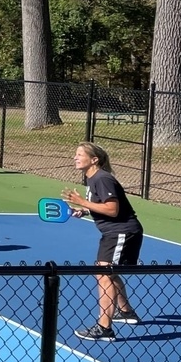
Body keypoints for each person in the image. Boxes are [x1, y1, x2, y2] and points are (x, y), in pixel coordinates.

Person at [61, 142, 144, 341]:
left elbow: (112, 210)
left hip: (121, 232)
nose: (75, 157)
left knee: (103, 273)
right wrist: (85, 210)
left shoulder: (102, 179)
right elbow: (101, 206)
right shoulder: (93, 179)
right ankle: (125, 312)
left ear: (94, 160)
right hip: (114, 233)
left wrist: (82, 202)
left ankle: (104, 328)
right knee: (108, 272)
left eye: (80, 154)